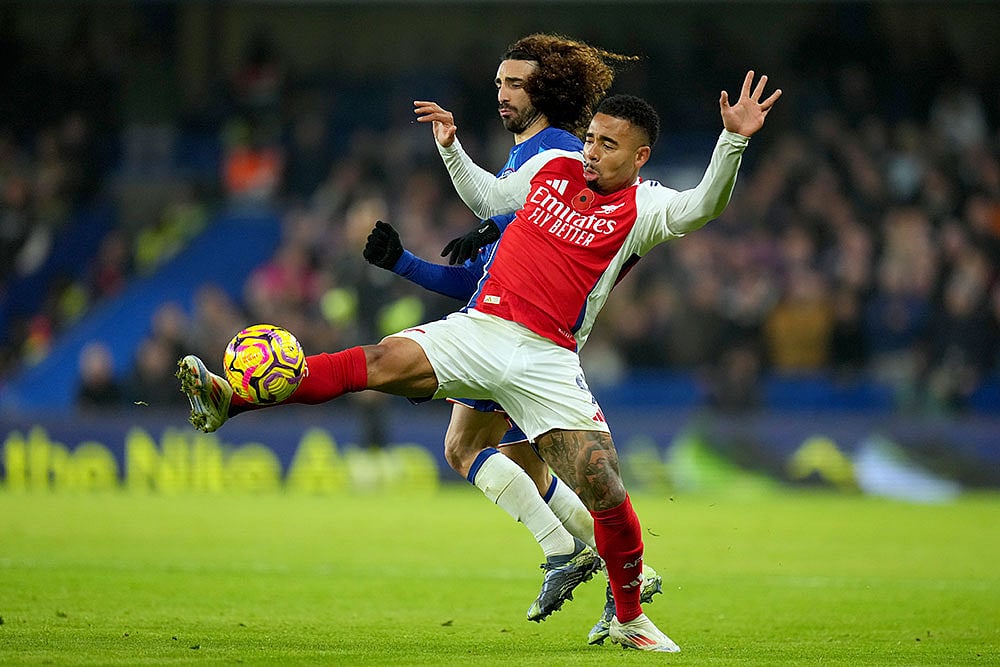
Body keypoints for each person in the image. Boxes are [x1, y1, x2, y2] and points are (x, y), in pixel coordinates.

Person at [178, 71, 781, 652]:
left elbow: (704, 206)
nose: (591, 151)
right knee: (379, 359)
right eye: (591, 137)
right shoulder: (555, 168)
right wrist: (452, 150)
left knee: (604, 487)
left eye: (607, 144)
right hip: (484, 327)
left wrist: (732, 141)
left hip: (547, 357)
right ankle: (233, 399)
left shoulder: (646, 207)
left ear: (640, 156)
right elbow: (488, 198)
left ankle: (627, 618)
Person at [363, 33, 661, 641]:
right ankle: (624, 567)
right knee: (529, 463)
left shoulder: (552, 152)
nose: (500, 93)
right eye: (498, 81)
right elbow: (481, 274)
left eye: (514, 83)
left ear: (545, 90)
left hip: (521, 338)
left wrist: (467, 215)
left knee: (464, 449)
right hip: (517, 333)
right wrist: (409, 263)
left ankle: (566, 553)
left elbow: (510, 251)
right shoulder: (527, 155)